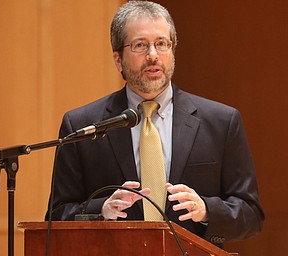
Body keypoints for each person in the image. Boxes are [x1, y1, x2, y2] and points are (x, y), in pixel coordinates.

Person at [45, 0, 264, 247]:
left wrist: (206, 210)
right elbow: (56, 216)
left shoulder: (221, 122)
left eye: (162, 44)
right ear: (118, 60)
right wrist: (101, 210)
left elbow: (251, 214)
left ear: (172, 51)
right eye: (140, 45)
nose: (153, 55)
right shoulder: (82, 125)